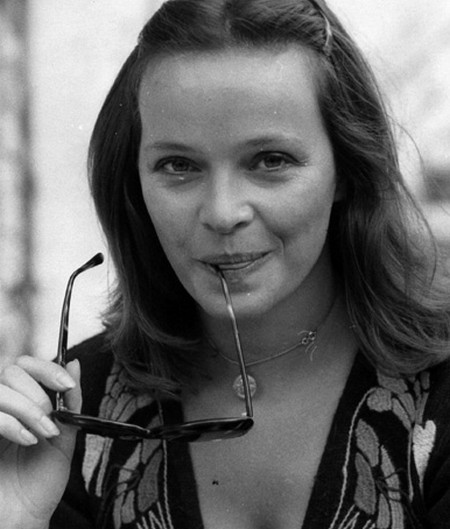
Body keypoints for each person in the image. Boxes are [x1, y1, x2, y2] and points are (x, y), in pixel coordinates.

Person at [1, 0, 450, 527]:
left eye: (271, 161)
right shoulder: (72, 417)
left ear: (347, 170)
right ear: (134, 183)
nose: (221, 212)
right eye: (178, 165)